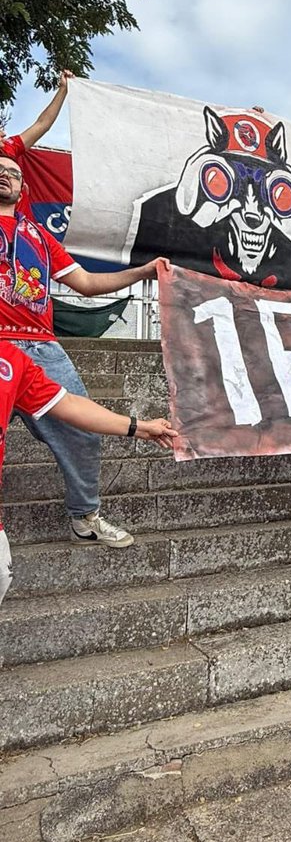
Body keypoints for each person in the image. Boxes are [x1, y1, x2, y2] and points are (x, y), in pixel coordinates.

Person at [0, 150, 167, 547]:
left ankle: (85, 515)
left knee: (83, 432)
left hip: (41, 347)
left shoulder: (39, 238)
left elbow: (88, 284)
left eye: (13, 173)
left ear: (23, 188)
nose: (4, 175)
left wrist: (143, 271)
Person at [0, 338, 176, 606]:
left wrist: (140, 427)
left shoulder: (12, 360)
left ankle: (84, 518)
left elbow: (69, 405)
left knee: (2, 574)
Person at [1, 72, 73, 215]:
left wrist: (63, 89)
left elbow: (42, 124)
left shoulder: (10, 147)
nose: (3, 133)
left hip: (23, 226)